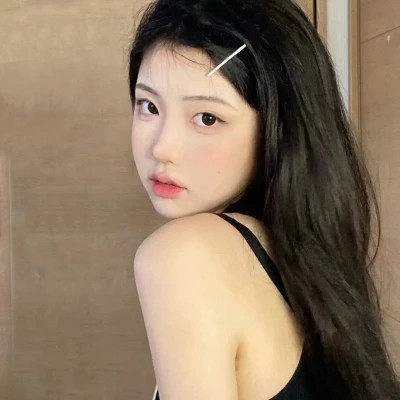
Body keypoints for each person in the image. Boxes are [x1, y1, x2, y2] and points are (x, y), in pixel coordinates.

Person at [128, 0, 400, 399]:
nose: (162, 148)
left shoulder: (184, 255)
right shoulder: (301, 263)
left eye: (207, 118)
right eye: (148, 106)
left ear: (277, 130)